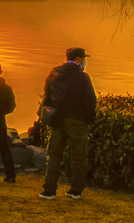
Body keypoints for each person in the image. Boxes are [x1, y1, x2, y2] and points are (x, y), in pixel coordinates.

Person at [39, 47, 97, 200]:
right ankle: (76, 190)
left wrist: (48, 115)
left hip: (57, 119)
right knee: (78, 156)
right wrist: (89, 119)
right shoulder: (83, 77)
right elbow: (91, 101)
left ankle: (49, 190)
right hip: (77, 120)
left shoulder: (54, 74)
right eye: (84, 58)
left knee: (54, 155)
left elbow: (47, 98)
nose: (84, 61)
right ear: (78, 59)